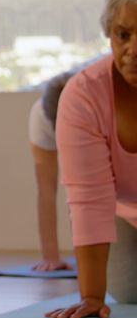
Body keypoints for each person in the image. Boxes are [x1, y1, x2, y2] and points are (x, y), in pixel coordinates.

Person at [48, 0, 137, 318]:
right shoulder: (84, 95)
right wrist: (91, 296)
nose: (133, 50)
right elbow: (89, 199)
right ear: (109, 35)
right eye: (123, 35)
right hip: (125, 215)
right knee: (129, 292)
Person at [27, 58, 101, 272]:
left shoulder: (97, 108)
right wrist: (51, 257)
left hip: (91, 125)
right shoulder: (41, 119)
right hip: (52, 122)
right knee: (50, 187)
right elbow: (46, 193)